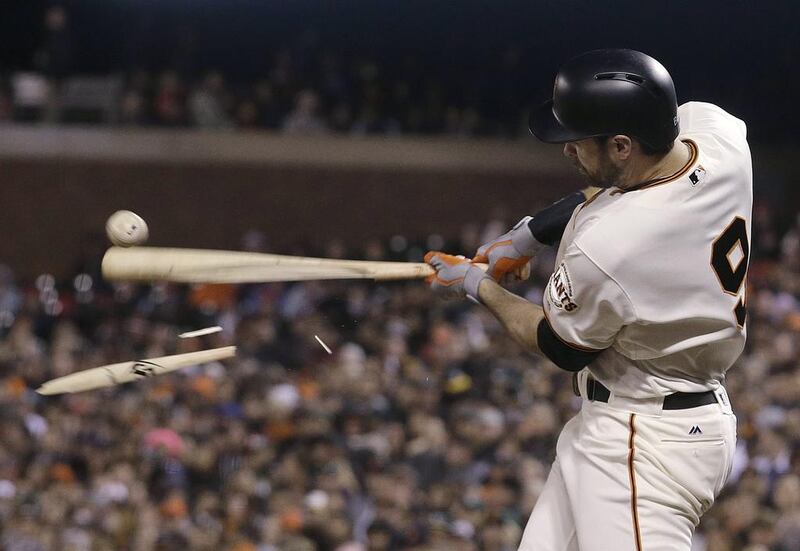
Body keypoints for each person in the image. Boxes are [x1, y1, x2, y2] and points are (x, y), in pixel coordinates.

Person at [424, 49, 752, 550]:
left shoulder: (610, 247)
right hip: (628, 418)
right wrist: (533, 232)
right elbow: (635, 184)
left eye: (577, 140)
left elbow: (561, 347)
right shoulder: (721, 138)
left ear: (621, 145)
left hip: (649, 442)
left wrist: (476, 285)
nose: (567, 150)